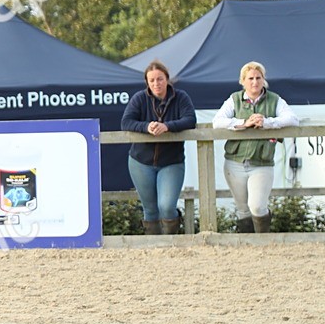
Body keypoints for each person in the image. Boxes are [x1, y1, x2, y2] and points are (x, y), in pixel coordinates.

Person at [212, 61, 299, 233]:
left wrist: (268, 122)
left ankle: (262, 240)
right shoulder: (234, 99)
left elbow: (293, 119)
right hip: (234, 162)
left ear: (263, 80)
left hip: (262, 162)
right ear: (243, 81)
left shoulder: (274, 99)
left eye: (258, 78)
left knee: (257, 206)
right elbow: (217, 122)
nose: (254, 82)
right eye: (250, 78)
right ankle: (246, 246)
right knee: (243, 208)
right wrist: (244, 122)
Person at [121, 60, 196, 235]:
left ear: (167, 79)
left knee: (166, 206)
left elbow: (190, 120)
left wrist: (167, 126)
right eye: (152, 80)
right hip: (141, 161)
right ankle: (154, 247)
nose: (156, 84)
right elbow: (126, 122)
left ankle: (171, 242)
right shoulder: (140, 98)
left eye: (160, 79)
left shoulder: (181, 97)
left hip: (171, 161)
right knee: (150, 209)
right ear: (147, 82)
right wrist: (146, 127)